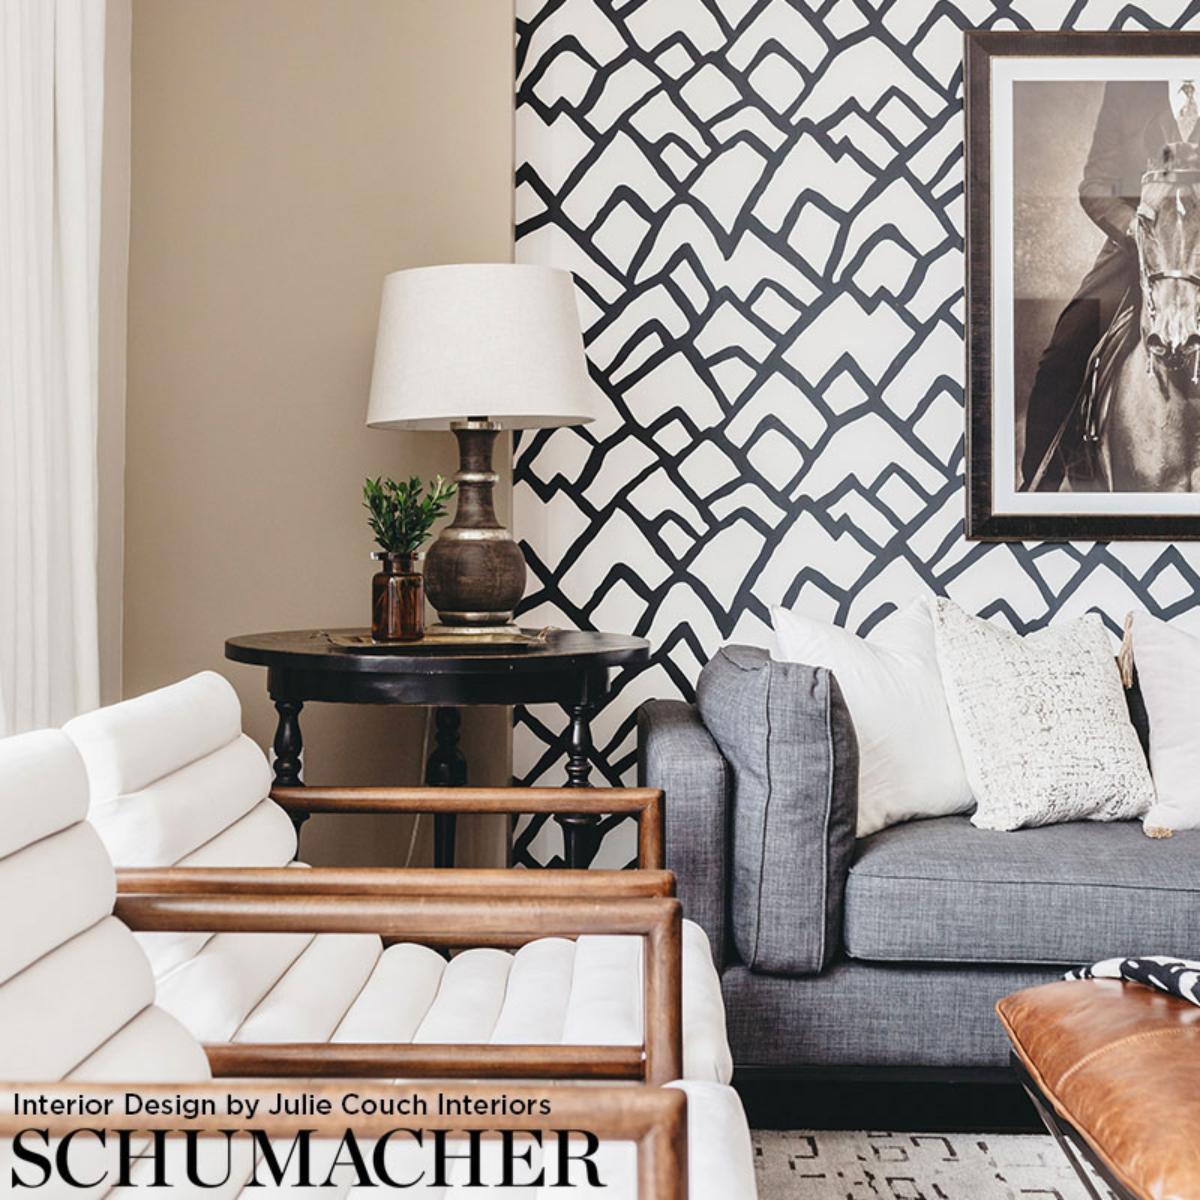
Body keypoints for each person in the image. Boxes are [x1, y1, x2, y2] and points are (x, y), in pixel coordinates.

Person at [1021, 79, 1200, 490]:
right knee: (1064, 353)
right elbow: (1095, 185)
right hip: (1136, 248)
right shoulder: (1129, 87)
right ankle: (1037, 491)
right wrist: (1134, 230)